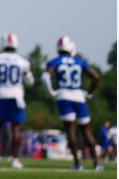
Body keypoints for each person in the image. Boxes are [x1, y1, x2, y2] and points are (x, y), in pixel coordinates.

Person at [43, 35, 103, 171]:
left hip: (64, 95)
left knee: (71, 130)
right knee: (86, 130)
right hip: (78, 95)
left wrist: (51, 92)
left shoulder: (55, 61)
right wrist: (89, 92)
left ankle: (77, 162)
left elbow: (45, 76)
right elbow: (96, 76)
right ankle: (97, 162)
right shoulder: (79, 61)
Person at [0, 32, 34, 169]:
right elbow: (30, 82)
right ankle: (15, 159)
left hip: (1, 93)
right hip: (16, 95)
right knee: (16, 127)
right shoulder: (23, 61)